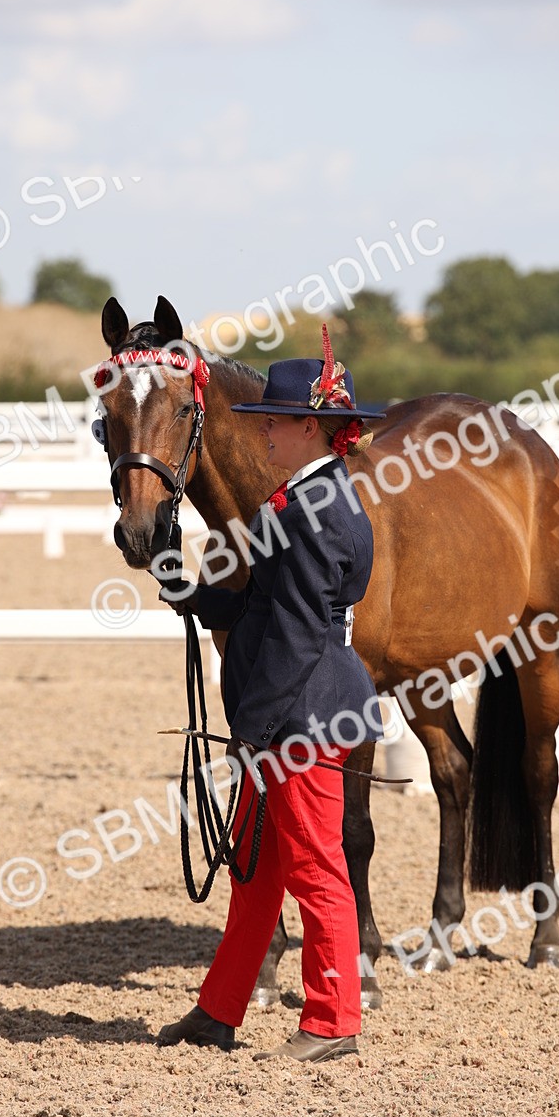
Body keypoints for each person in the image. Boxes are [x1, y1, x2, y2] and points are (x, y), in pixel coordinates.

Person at [157, 328, 385, 1062]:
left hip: (303, 714)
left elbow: (295, 630)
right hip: (293, 710)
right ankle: (219, 1010)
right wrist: (188, 594)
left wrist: (253, 724)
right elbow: (263, 604)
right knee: (255, 870)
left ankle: (332, 1022)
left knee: (317, 867)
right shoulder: (301, 497)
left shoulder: (317, 511)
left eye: (274, 424)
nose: (264, 436)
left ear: (311, 427)